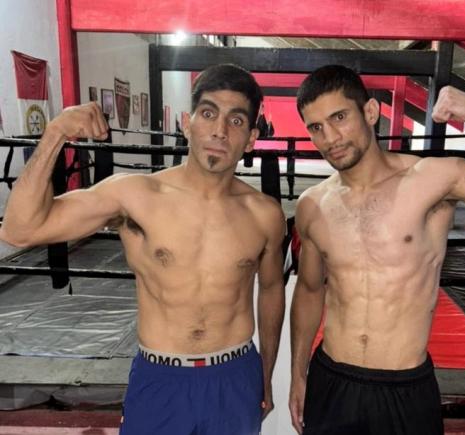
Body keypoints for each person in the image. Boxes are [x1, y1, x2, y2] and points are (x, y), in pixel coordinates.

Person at [0, 64, 286, 435]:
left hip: (235, 375)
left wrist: (265, 373)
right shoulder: (135, 196)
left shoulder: (265, 215)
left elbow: (272, 289)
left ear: (250, 138)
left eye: (235, 120)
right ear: (186, 123)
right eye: (208, 113)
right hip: (161, 376)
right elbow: (19, 230)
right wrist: (55, 133)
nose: (219, 130)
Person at [288, 64, 465, 435]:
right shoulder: (313, 204)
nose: (330, 137)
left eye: (339, 117)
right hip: (333, 380)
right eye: (316, 127)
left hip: (405, 387)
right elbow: (310, 290)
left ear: (370, 112)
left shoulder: (431, 181)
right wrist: (298, 373)